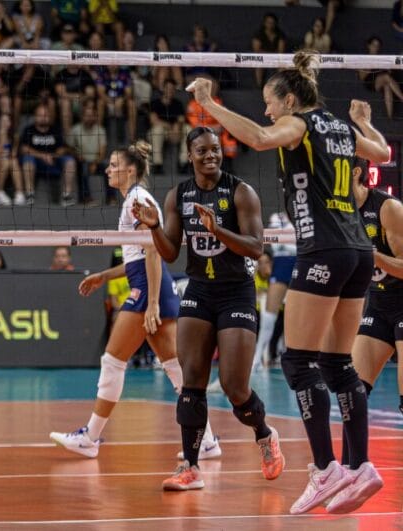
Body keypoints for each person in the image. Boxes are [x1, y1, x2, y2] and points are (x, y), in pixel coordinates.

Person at [186, 49, 390, 514]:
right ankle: (360, 466)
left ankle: (324, 469)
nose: (267, 111)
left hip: (324, 249)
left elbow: (260, 138)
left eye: (270, 102)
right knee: (337, 363)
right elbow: (382, 152)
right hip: (359, 251)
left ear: (291, 100)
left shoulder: (299, 125)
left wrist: (209, 104)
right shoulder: (341, 128)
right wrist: (364, 122)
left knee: (297, 361)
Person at [132, 127, 284, 491]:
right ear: (190, 155)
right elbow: (170, 252)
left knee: (234, 386)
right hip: (199, 291)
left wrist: (218, 231)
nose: (211, 155)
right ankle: (191, 467)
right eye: (202, 151)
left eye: (215, 149)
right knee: (192, 383)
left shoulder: (241, 192)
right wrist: (155, 227)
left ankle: (264, 434)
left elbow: (256, 247)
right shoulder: (179, 195)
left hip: (236, 293)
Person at [49, 141, 220, 460]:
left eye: (114, 165)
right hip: (152, 283)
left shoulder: (138, 200)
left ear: (130, 170)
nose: (107, 170)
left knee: (113, 361)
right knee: (175, 368)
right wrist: (105, 276)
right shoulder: (134, 199)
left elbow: (153, 251)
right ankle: (207, 440)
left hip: (148, 288)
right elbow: (137, 257)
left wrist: (152, 303)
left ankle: (90, 437)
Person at [329, 157, 402, 512]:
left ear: (355, 173)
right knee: (351, 391)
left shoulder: (388, 209)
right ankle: (351, 472)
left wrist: (372, 256)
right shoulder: (339, 213)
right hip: (379, 307)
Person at [255, 210, 295, 370]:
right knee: (268, 317)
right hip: (282, 263)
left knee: (298, 316)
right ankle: (257, 358)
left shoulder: (307, 211)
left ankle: (299, 358)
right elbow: (277, 244)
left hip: (301, 261)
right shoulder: (276, 217)